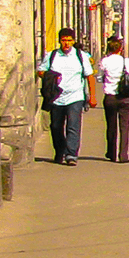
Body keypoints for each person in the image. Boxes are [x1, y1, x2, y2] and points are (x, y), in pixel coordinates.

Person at [37, 28, 96, 165]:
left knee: (73, 126)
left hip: (75, 96)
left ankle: (71, 155)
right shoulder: (52, 56)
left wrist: (92, 97)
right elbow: (41, 71)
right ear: (59, 41)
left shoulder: (80, 56)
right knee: (56, 127)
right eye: (64, 40)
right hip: (56, 98)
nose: (67, 43)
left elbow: (90, 76)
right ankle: (60, 150)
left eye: (69, 40)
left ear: (74, 41)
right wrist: (50, 77)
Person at [97, 36, 129, 163]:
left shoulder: (104, 61)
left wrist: (108, 79)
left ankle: (111, 153)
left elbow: (99, 78)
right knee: (125, 127)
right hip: (125, 97)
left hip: (110, 97)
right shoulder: (126, 61)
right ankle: (123, 155)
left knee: (111, 126)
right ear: (120, 49)